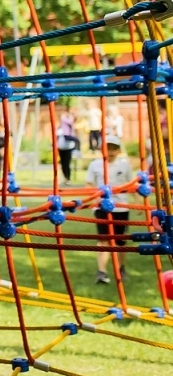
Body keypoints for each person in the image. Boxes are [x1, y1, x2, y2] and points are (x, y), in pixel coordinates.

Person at [87, 135, 135, 285]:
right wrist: (94, 198)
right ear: (102, 149)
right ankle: (102, 272)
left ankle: (121, 268)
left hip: (121, 208)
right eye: (107, 148)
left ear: (119, 150)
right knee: (103, 240)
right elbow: (89, 184)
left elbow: (130, 184)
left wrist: (138, 200)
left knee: (121, 241)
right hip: (102, 207)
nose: (111, 151)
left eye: (114, 148)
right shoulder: (95, 165)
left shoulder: (124, 164)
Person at [55, 112, 79, 182]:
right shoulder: (60, 127)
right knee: (62, 164)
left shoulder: (71, 126)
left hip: (68, 148)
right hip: (61, 147)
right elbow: (57, 136)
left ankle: (68, 178)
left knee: (67, 163)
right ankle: (65, 177)